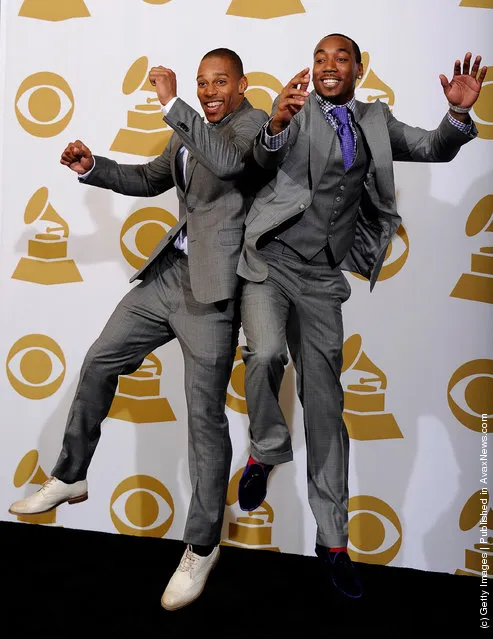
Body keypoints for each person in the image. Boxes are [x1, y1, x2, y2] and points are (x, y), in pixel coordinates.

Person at [9, 48, 268, 611]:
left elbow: (225, 165)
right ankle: (70, 475)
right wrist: (92, 167)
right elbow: (152, 178)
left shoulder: (254, 125)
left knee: (203, 419)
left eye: (218, 81)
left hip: (213, 292)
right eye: (202, 83)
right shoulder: (190, 128)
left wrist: (174, 102)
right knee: (100, 359)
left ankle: (201, 545)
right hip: (168, 276)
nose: (209, 90)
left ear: (243, 84)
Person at [235, 33, 486, 599]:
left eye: (339, 59)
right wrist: (276, 122)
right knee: (268, 352)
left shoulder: (375, 119)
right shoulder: (293, 108)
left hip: (324, 277)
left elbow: (433, 147)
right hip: (271, 260)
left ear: (358, 69)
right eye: (319, 58)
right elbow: (261, 157)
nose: (327, 67)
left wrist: (456, 113)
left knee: (327, 405)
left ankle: (335, 540)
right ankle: (265, 449)